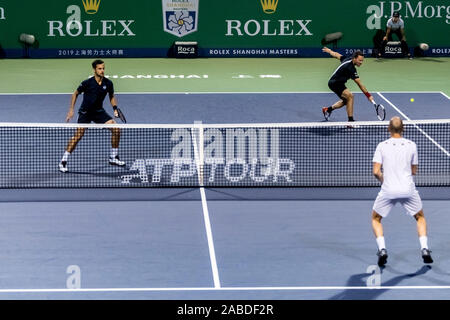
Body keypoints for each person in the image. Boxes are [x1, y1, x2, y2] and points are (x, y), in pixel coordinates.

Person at [371, 116, 433, 267]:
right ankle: (424, 248)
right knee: (420, 217)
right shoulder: (412, 145)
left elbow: (376, 172)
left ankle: (382, 249)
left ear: (388, 129)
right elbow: (413, 170)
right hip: (408, 189)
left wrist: (386, 182)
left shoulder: (381, 146)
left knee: (376, 219)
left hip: (388, 190)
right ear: (403, 128)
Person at [59, 59, 125, 173]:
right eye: (100, 68)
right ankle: (63, 161)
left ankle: (113, 157)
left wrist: (115, 109)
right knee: (78, 136)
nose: (102, 70)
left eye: (103, 68)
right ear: (94, 69)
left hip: (98, 112)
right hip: (85, 112)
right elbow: (75, 94)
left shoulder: (108, 83)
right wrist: (71, 110)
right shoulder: (87, 83)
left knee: (116, 129)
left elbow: (112, 96)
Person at [321, 47, 375, 122]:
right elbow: (360, 84)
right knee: (350, 96)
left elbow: (337, 55)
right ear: (354, 58)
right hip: (334, 83)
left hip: (339, 83)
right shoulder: (351, 69)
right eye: (359, 60)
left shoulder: (347, 59)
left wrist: (329, 51)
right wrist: (368, 96)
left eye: (362, 61)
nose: (361, 62)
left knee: (346, 101)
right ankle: (350, 122)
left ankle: (327, 109)